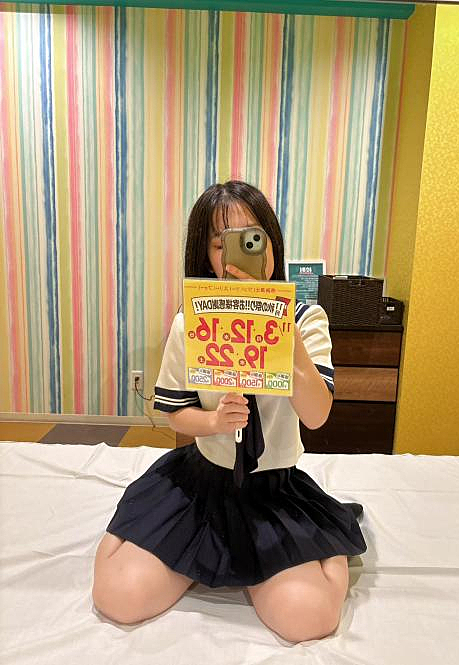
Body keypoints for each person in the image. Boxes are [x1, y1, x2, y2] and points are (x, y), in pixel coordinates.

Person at [92, 180, 367, 643]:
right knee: (117, 597)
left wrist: (279, 324)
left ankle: (330, 540)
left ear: (271, 244)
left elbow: (317, 415)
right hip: (201, 484)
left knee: (309, 620)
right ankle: (156, 541)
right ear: (206, 255)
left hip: (274, 490)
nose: (237, 253)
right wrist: (214, 422)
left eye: (252, 238)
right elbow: (176, 411)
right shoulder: (191, 322)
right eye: (221, 244)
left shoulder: (307, 320)